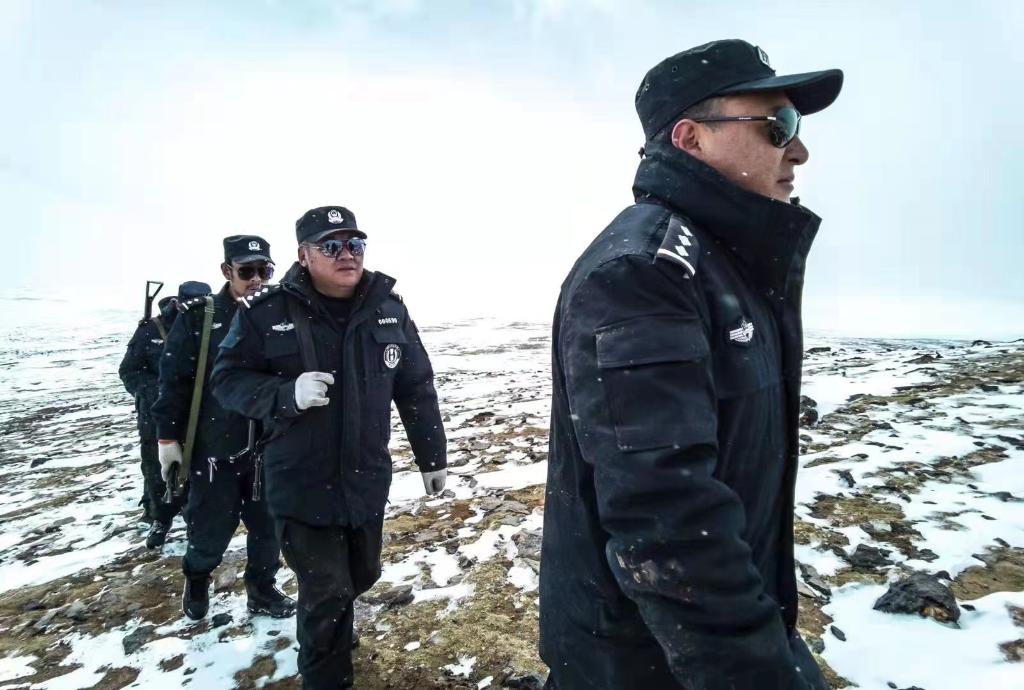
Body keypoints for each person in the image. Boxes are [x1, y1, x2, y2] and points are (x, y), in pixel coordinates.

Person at [539, 39, 843, 690]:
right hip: (642, 660)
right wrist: (756, 672)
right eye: (777, 124)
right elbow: (666, 521)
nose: (798, 150)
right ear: (690, 138)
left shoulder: (722, 262)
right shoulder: (645, 273)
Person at [210, 206, 447, 690]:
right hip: (300, 480)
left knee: (362, 575)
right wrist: (285, 394)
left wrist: (432, 457)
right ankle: (325, 671)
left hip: (365, 478)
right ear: (304, 255)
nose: (347, 254)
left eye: (355, 244)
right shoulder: (266, 313)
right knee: (327, 590)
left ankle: (332, 630)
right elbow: (227, 379)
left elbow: (415, 387)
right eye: (331, 246)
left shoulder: (389, 309)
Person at [151, 235, 294, 621]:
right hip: (214, 449)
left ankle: (262, 589)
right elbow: (173, 382)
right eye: (247, 271)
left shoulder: (280, 312)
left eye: (264, 271)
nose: (257, 279)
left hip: (268, 446)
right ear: (227, 271)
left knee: (269, 528)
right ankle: (197, 578)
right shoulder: (201, 318)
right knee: (210, 530)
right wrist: (167, 438)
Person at [119, 280, 210, 547]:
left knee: (198, 467)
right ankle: (160, 517)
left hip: (197, 413)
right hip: (157, 416)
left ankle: (195, 519)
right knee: (158, 467)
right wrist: (157, 392)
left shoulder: (210, 327)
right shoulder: (151, 330)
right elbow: (130, 371)